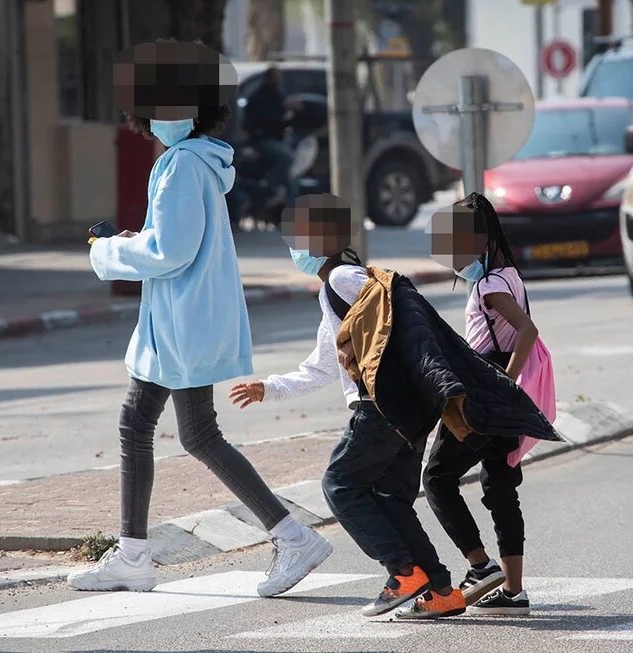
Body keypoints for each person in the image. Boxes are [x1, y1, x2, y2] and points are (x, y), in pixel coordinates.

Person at [68, 41, 331, 597]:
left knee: (176, 432)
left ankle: (287, 537)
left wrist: (105, 253)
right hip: (183, 320)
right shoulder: (202, 159)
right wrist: (132, 241)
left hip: (181, 323)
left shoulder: (182, 164)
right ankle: (137, 554)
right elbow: (176, 242)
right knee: (163, 429)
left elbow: (172, 251)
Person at [229, 195, 466, 620]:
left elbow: (403, 317)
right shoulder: (336, 286)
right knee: (392, 498)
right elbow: (321, 366)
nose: (293, 244)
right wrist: (270, 387)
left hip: (380, 406)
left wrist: (376, 359)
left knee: (340, 485)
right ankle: (442, 591)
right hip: (407, 408)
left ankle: (403, 573)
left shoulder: (342, 279)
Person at [423, 192, 554, 616]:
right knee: (499, 487)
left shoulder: (490, 284)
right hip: (500, 392)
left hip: (483, 389)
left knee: (437, 477)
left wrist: (501, 384)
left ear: (480, 241)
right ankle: (513, 592)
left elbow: (527, 330)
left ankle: (479, 566)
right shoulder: (509, 275)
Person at [242, 66, 297, 206]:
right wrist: (282, 109)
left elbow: (282, 120)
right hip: (262, 139)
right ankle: (268, 186)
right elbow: (262, 120)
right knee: (287, 158)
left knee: (291, 179)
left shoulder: (278, 94)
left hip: (277, 138)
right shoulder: (259, 97)